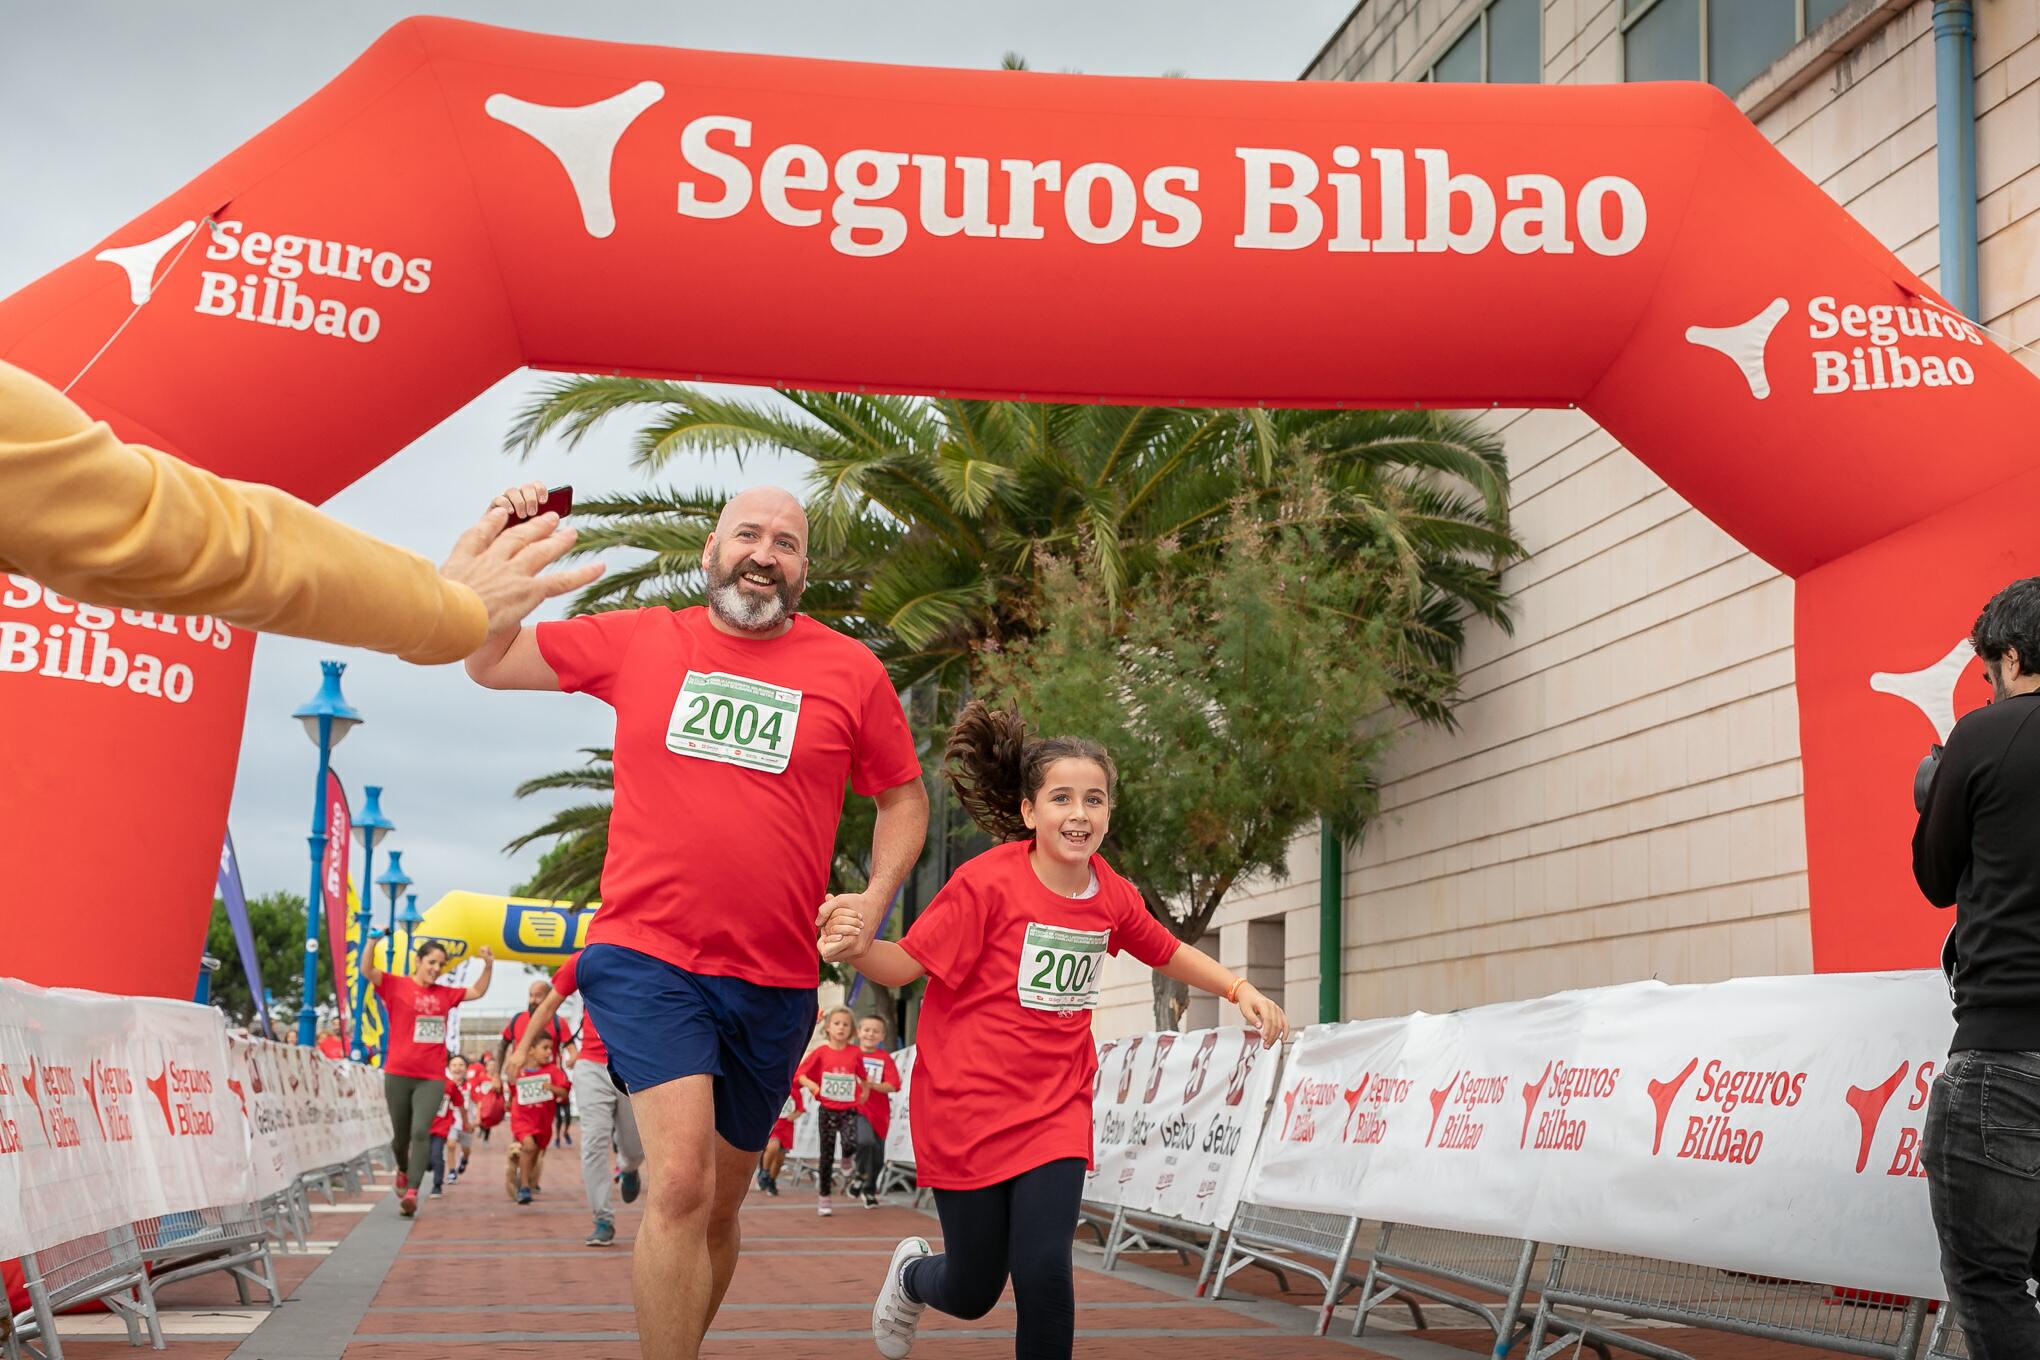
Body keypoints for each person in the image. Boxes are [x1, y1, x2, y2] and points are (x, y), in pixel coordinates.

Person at [464, 481, 928, 1358]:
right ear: (709, 552)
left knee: (718, 1205)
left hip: (776, 978)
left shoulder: (850, 672)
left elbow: (903, 800)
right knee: (676, 1184)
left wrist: (872, 899)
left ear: (802, 570)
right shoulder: (645, 637)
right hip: (647, 956)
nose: (764, 553)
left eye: (786, 543)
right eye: (747, 534)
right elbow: (489, 661)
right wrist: (499, 580)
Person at [820, 701, 1288, 1360]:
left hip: (1054, 1110)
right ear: (1031, 810)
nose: (1079, 813)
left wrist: (1240, 988)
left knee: (1043, 1269)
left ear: (1107, 813)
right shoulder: (983, 884)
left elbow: (1165, 949)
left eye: (1093, 800)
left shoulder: (1111, 893)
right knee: (974, 1287)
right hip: (964, 1107)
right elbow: (905, 966)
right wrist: (859, 947)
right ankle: (911, 1277)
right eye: (1062, 797)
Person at [0, 358, 603, 663]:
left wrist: (463, 604)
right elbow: (172, 530)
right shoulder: (645, 642)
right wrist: (457, 606)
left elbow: (179, 529)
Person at [1915, 577, 2040, 1360]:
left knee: (1989, 1282)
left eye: (1990, 669)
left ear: (2013, 654)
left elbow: (1934, 878)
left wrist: (1936, 790)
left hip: (2004, 1052)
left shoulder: (1985, 734)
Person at [510, 951, 647, 1248]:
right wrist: (521, 1050)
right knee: (594, 1141)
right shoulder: (583, 960)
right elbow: (548, 1007)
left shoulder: (648, 956)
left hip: (633, 1066)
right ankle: (602, 1219)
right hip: (591, 1067)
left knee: (636, 1147)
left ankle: (629, 1168)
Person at [362, 938, 494, 1217]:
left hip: (431, 1077)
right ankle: (402, 1167)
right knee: (400, 1138)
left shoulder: (445, 994)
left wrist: (488, 965)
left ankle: (412, 1191)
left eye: (441, 964)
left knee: (422, 1131)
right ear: (419, 961)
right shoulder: (396, 985)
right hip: (398, 1073)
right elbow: (367, 970)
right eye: (431, 962)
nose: (436, 968)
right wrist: (372, 942)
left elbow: (478, 991)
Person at [795, 1008, 865, 1217]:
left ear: (851, 1030)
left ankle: (846, 1158)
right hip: (827, 1109)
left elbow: (862, 1076)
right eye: (837, 1023)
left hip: (848, 1109)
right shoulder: (821, 1052)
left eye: (845, 1024)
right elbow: (800, 1075)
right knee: (825, 1154)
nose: (841, 1028)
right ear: (827, 1028)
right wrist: (813, 1087)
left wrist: (865, 1092)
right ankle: (824, 1196)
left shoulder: (855, 1052)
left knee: (851, 1142)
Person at [507, 1033, 572, 1206]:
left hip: (543, 1122)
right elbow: (513, 1092)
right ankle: (525, 1188)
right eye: (544, 1048)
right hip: (522, 1119)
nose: (549, 1052)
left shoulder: (553, 1071)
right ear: (530, 1050)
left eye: (551, 1048)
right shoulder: (518, 1071)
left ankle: (525, 1176)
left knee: (535, 1153)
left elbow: (564, 1093)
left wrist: (552, 1088)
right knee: (529, 1146)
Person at [850, 1015, 901, 1208]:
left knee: (878, 1158)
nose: (870, 1034)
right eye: (866, 1030)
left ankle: (868, 1190)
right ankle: (859, 1175)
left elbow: (894, 1085)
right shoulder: (851, 1054)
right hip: (857, 1110)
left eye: (875, 1031)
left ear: (882, 1036)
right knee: (865, 1141)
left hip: (880, 1115)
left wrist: (871, 1085)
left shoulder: (884, 1058)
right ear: (858, 1032)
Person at [427, 1054, 470, 1197]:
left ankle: (437, 1185)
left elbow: (460, 1104)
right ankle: (429, 1165)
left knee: (437, 1154)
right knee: (426, 1159)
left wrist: (466, 1122)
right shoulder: (422, 1081)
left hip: (441, 1126)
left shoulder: (449, 1085)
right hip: (423, 1126)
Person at [756, 1085, 803, 1197]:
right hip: (772, 1126)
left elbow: (800, 1110)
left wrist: (791, 1116)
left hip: (786, 1129)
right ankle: (764, 1172)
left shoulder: (795, 1091)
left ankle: (772, 1181)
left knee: (779, 1159)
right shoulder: (772, 1086)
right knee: (773, 1147)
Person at [467, 1052, 502, 1149]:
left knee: (488, 1119)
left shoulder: (496, 1077)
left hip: (492, 1102)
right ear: (486, 1067)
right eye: (490, 1065)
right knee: (481, 1119)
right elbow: (475, 1086)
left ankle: (486, 1137)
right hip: (481, 1101)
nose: (491, 1067)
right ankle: (481, 1129)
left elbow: (500, 1089)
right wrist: (477, 1097)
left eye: (493, 1066)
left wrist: (496, 1087)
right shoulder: (481, 1076)